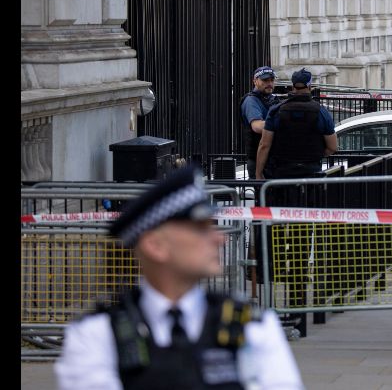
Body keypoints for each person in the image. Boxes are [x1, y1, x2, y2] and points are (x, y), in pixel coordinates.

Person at [54, 166, 304, 390]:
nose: (219, 238)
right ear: (155, 246)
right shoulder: (98, 335)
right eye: (200, 228)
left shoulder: (253, 326)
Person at [255, 68, 337, 180]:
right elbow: (332, 147)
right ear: (310, 86)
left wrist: (258, 174)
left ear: (293, 86)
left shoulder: (276, 111)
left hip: (282, 172)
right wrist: (313, 154)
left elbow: (264, 145)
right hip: (311, 172)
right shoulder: (321, 112)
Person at [240, 66, 279, 179]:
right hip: (259, 160)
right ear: (255, 81)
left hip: (274, 159)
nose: (269, 83)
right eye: (265, 80)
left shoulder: (273, 99)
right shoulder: (251, 100)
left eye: (272, 80)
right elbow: (257, 126)